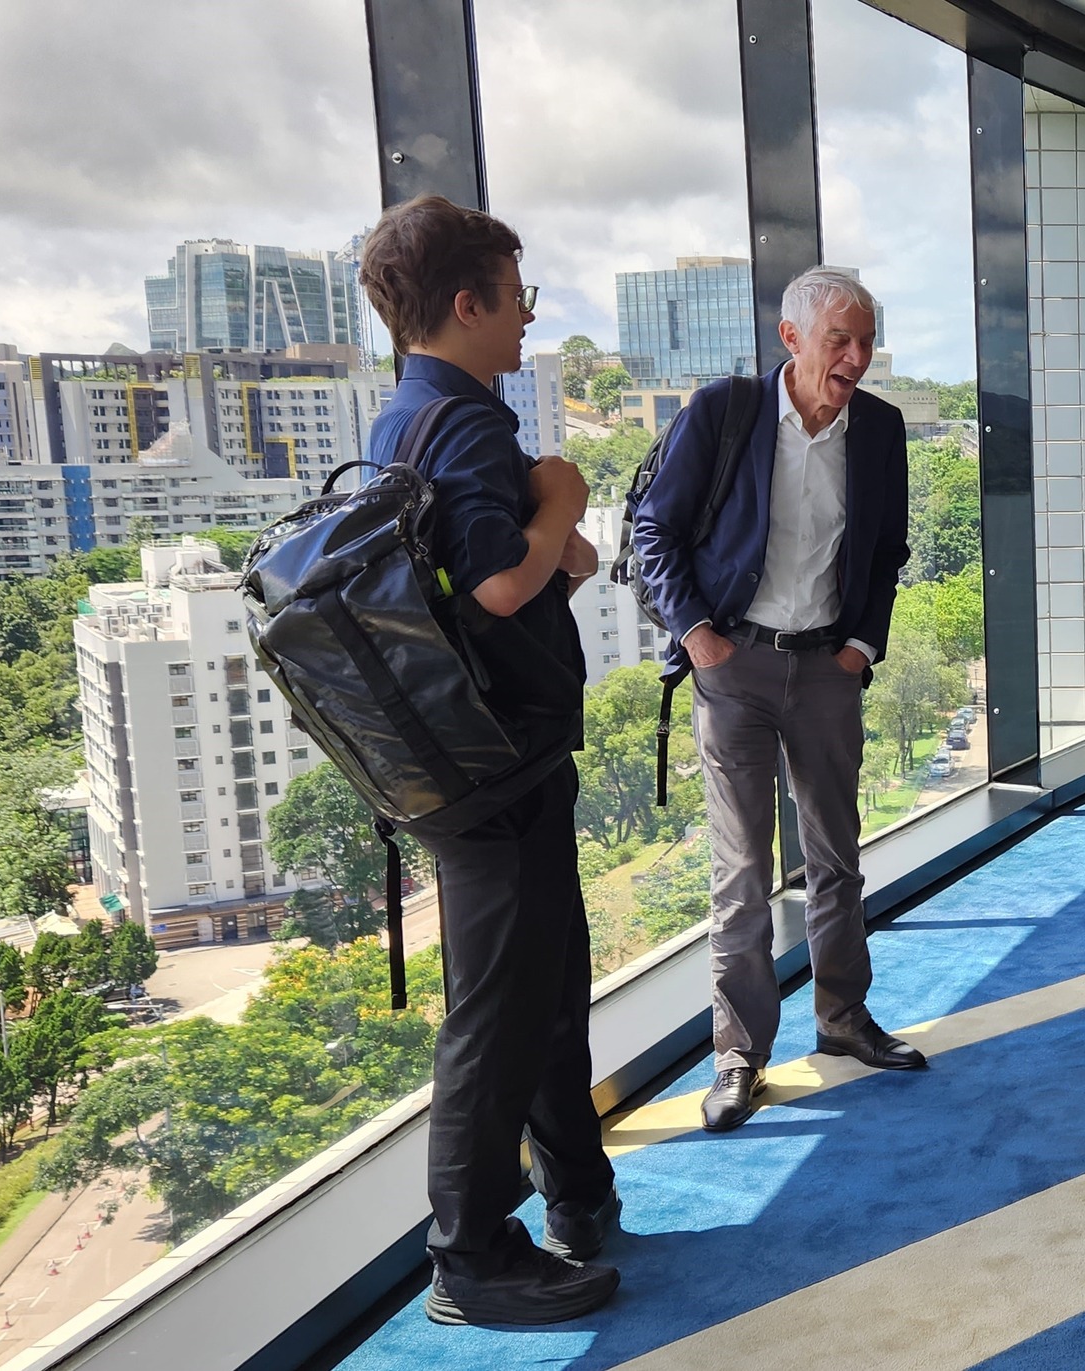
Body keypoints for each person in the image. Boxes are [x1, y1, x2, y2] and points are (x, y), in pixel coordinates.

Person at [357, 195, 619, 1327]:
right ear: (466, 305)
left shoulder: (402, 417)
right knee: (500, 1008)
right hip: (493, 764)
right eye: (517, 299)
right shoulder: (464, 423)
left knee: (546, 986)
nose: (526, 322)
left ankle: (575, 1198)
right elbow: (510, 583)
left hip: (471, 758)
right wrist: (559, 490)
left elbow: (488, 584)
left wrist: (553, 535)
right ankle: (468, 1257)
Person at [631, 267, 921, 1135]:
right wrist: (696, 635)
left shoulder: (880, 429)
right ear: (791, 339)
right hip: (734, 668)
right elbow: (655, 528)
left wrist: (861, 648)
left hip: (827, 669)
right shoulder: (726, 413)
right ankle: (739, 1053)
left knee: (836, 855)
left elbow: (886, 552)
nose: (857, 357)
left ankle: (843, 1018)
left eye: (866, 339)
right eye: (840, 339)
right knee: (743, 871)